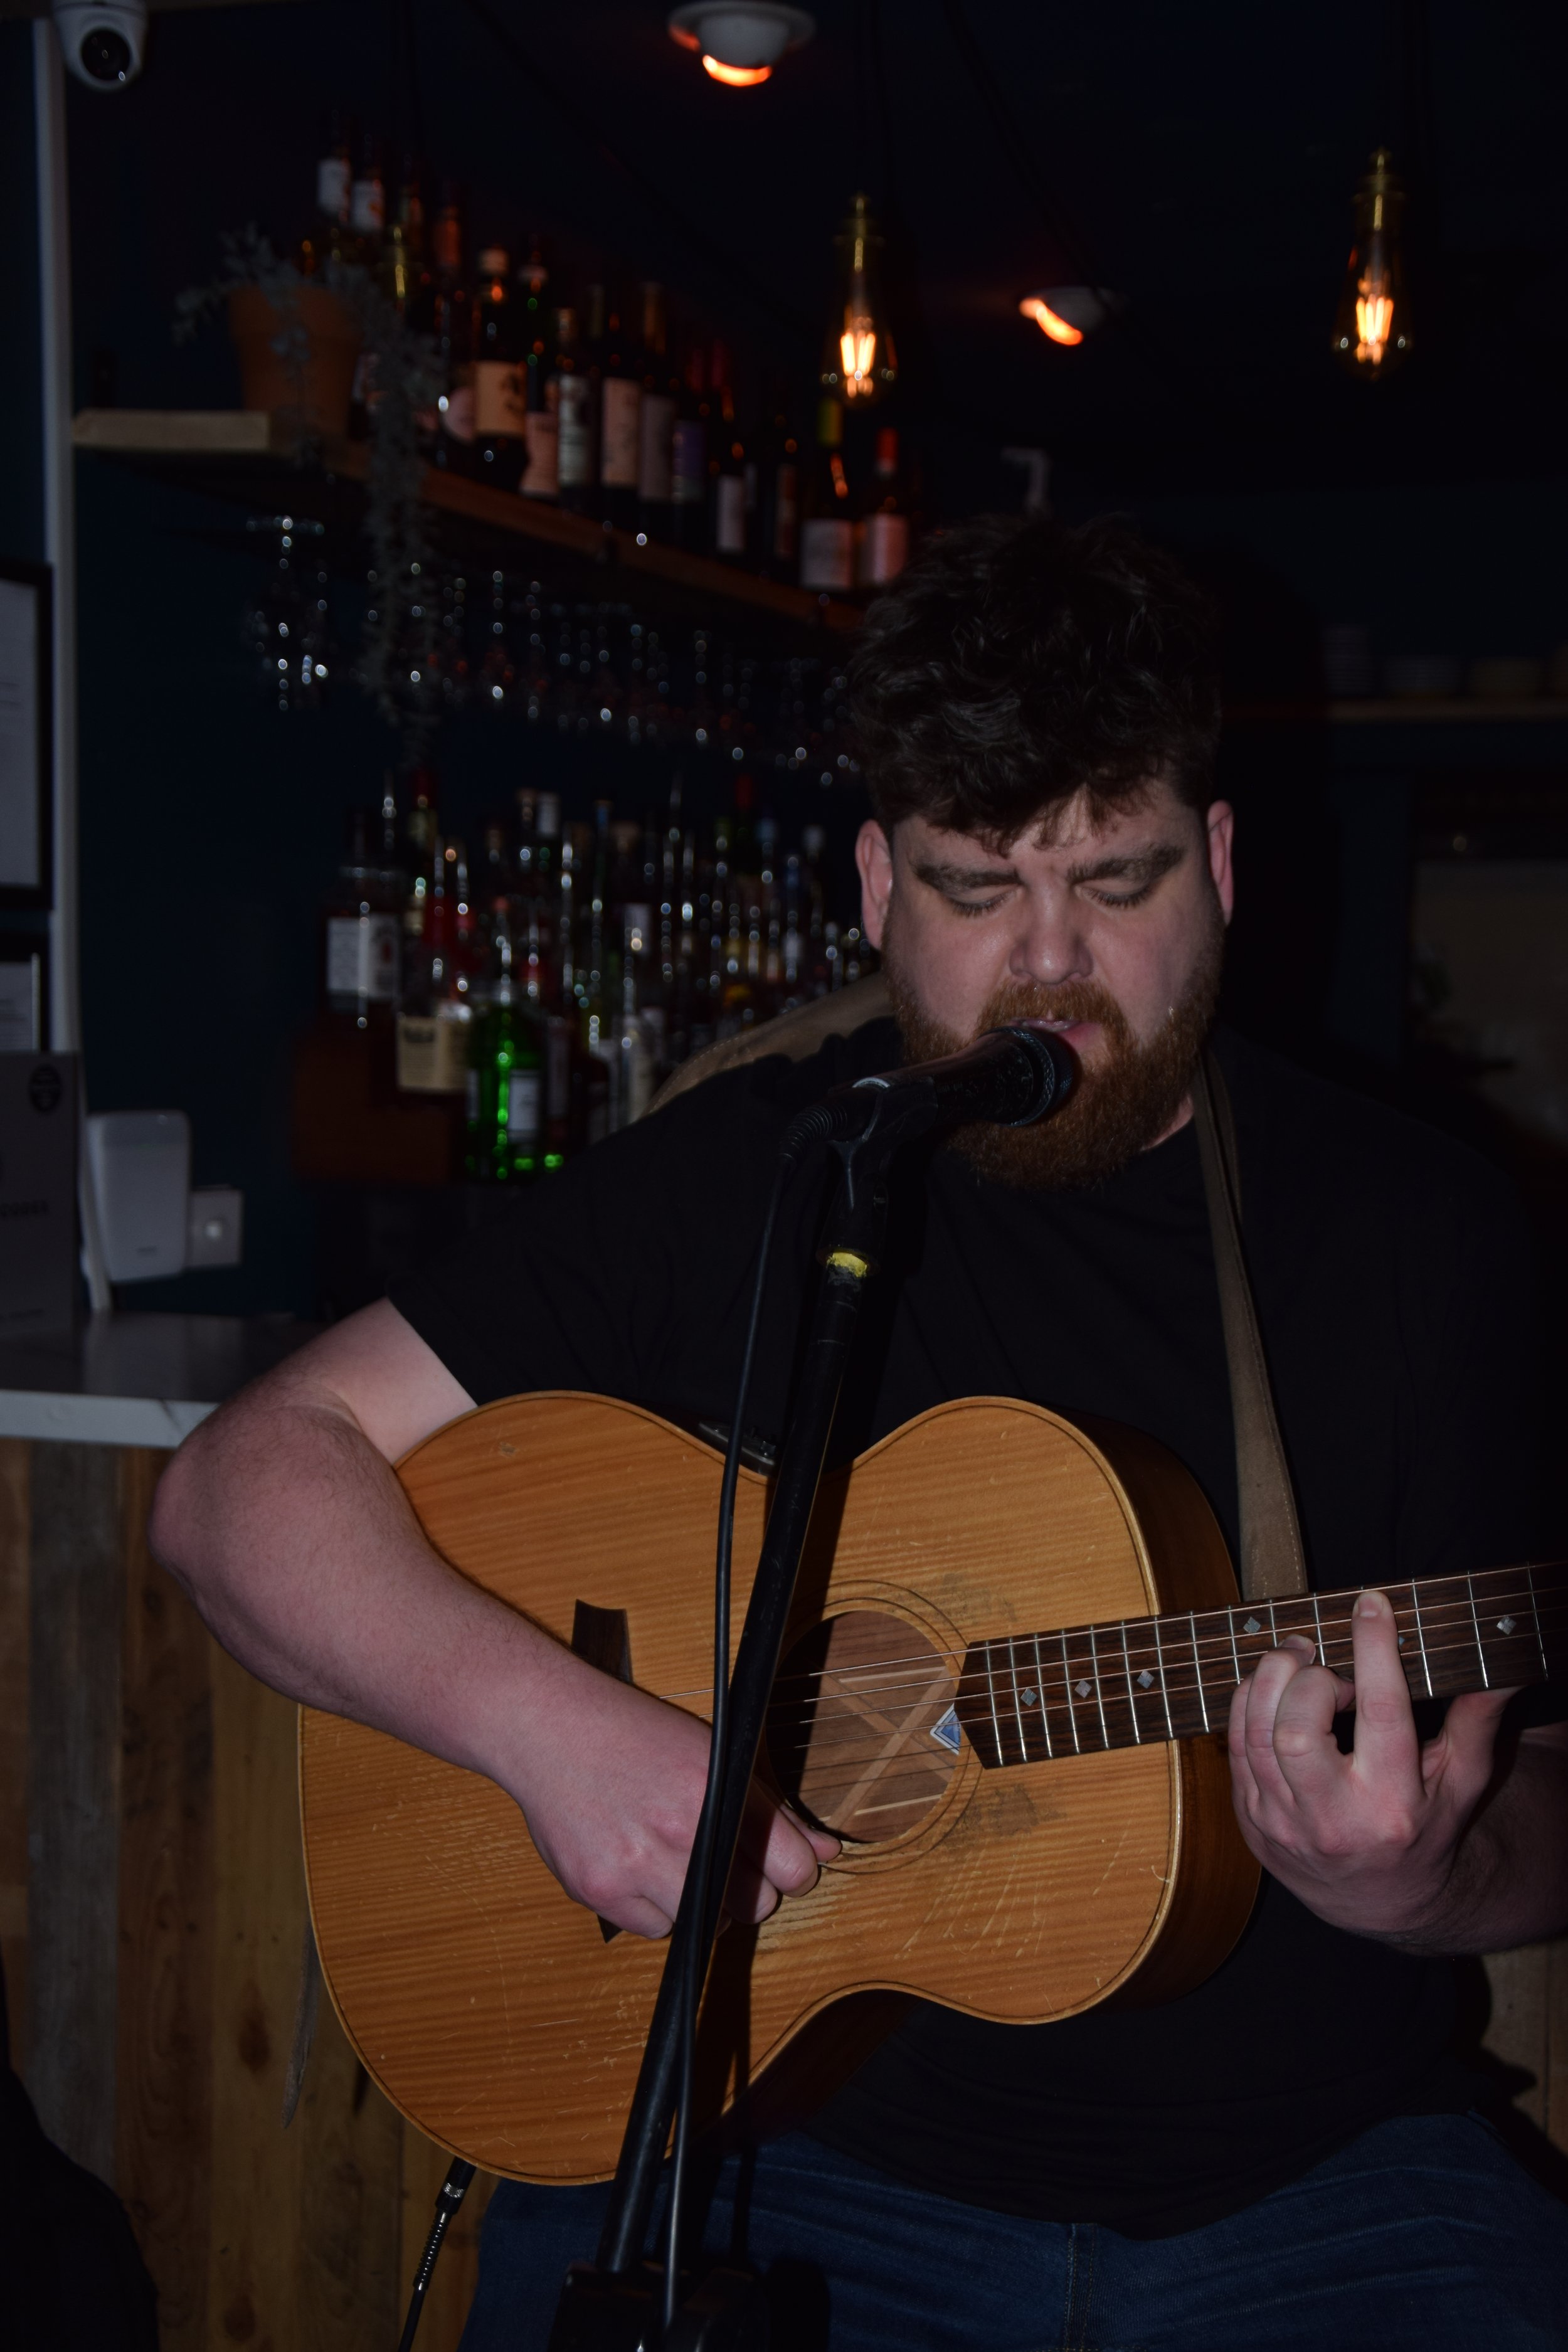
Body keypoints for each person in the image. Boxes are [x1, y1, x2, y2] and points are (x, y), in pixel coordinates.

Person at [151, 517, 1568, 2351]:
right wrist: (556, 1736)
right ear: (875, 883)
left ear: (1218, 867)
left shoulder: (1416, 1235)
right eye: (979, 893)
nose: (1051, 965)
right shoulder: (759, 1170)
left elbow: (1547, 1799)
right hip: (779, 2143)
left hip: (1318, 2180)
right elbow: (235, 1491)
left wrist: (1426, 1874)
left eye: (1119, 883)